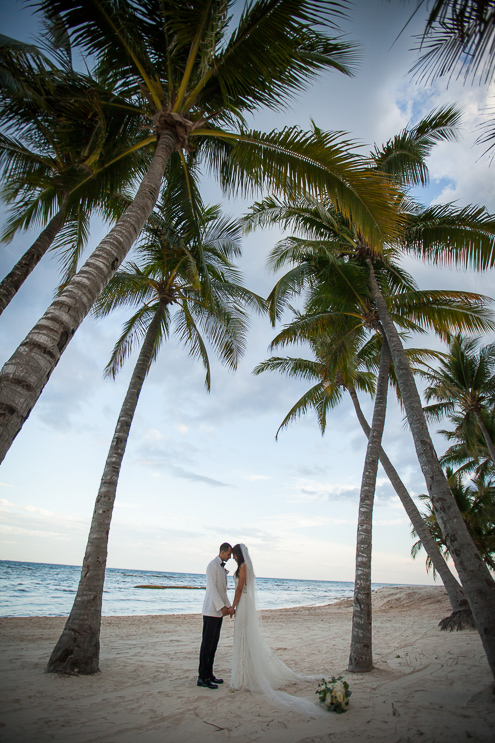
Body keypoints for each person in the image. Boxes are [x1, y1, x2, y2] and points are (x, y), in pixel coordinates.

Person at [229, 543, 323, 716]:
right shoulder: (244, 566)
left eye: (234, 554)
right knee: (243, 639)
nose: (233, 557)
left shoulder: (243, 567)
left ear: (238, 554)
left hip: (242, 605)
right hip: (243, 604)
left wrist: (233, 606)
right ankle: (245, 675)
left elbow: (240, 588)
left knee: (243, 637)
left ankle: (245, 678)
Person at [197, 542, 234, 689]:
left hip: (218, 613)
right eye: (229, 554)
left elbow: (223, 592)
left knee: (213, 645)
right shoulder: (212, 566)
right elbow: (212, 589)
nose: (230, 557)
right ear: (223, 552)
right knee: (206, 645)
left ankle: (209, 674)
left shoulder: (221, 568)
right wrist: (222, 608)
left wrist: (229, 607)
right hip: (210, 611)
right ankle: (202, 677)